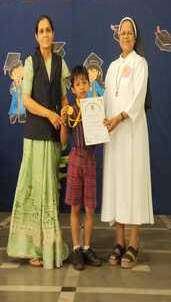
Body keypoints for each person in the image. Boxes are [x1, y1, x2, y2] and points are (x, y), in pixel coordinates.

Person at [7, 15, 69, 269]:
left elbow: (63, 98)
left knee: (50, 190)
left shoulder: (61, 63)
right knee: (32, 189)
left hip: (53, 136)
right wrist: (50, 115)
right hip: (34, 135)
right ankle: (32, 248)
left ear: (53, 34)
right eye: (41, 31)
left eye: (48, 30)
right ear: (36, 36)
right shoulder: (30, 62)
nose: (45, 34)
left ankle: (50, 247)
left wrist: (64, 112)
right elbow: (26, 101)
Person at [101, 16, 154, 269]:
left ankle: (134, 243)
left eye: (129, 32)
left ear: (135, 36)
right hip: (114, 136)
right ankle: (119, 242)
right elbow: (106, 99)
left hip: (132, 133)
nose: (125, 36)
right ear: (117, 37)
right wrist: (101, 118)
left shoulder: (140, 63)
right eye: (122, 32)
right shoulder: (112, 67)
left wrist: (120, 117)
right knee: (117, 186)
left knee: (133, 184)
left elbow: (138, 98)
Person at [60, 66, 102, 270]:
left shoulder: (97, 108)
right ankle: (76, 248)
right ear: (73, 89)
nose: (82, 87)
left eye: (85, 83)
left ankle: (87, 247)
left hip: (91, 160)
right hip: (76, 158)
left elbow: (101, 137)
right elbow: (63, 141)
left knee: (90, 208)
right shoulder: (71, 111)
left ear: (90, 84)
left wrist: (104, 125)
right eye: (78, 84)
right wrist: (62, 121)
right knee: (75, 207)